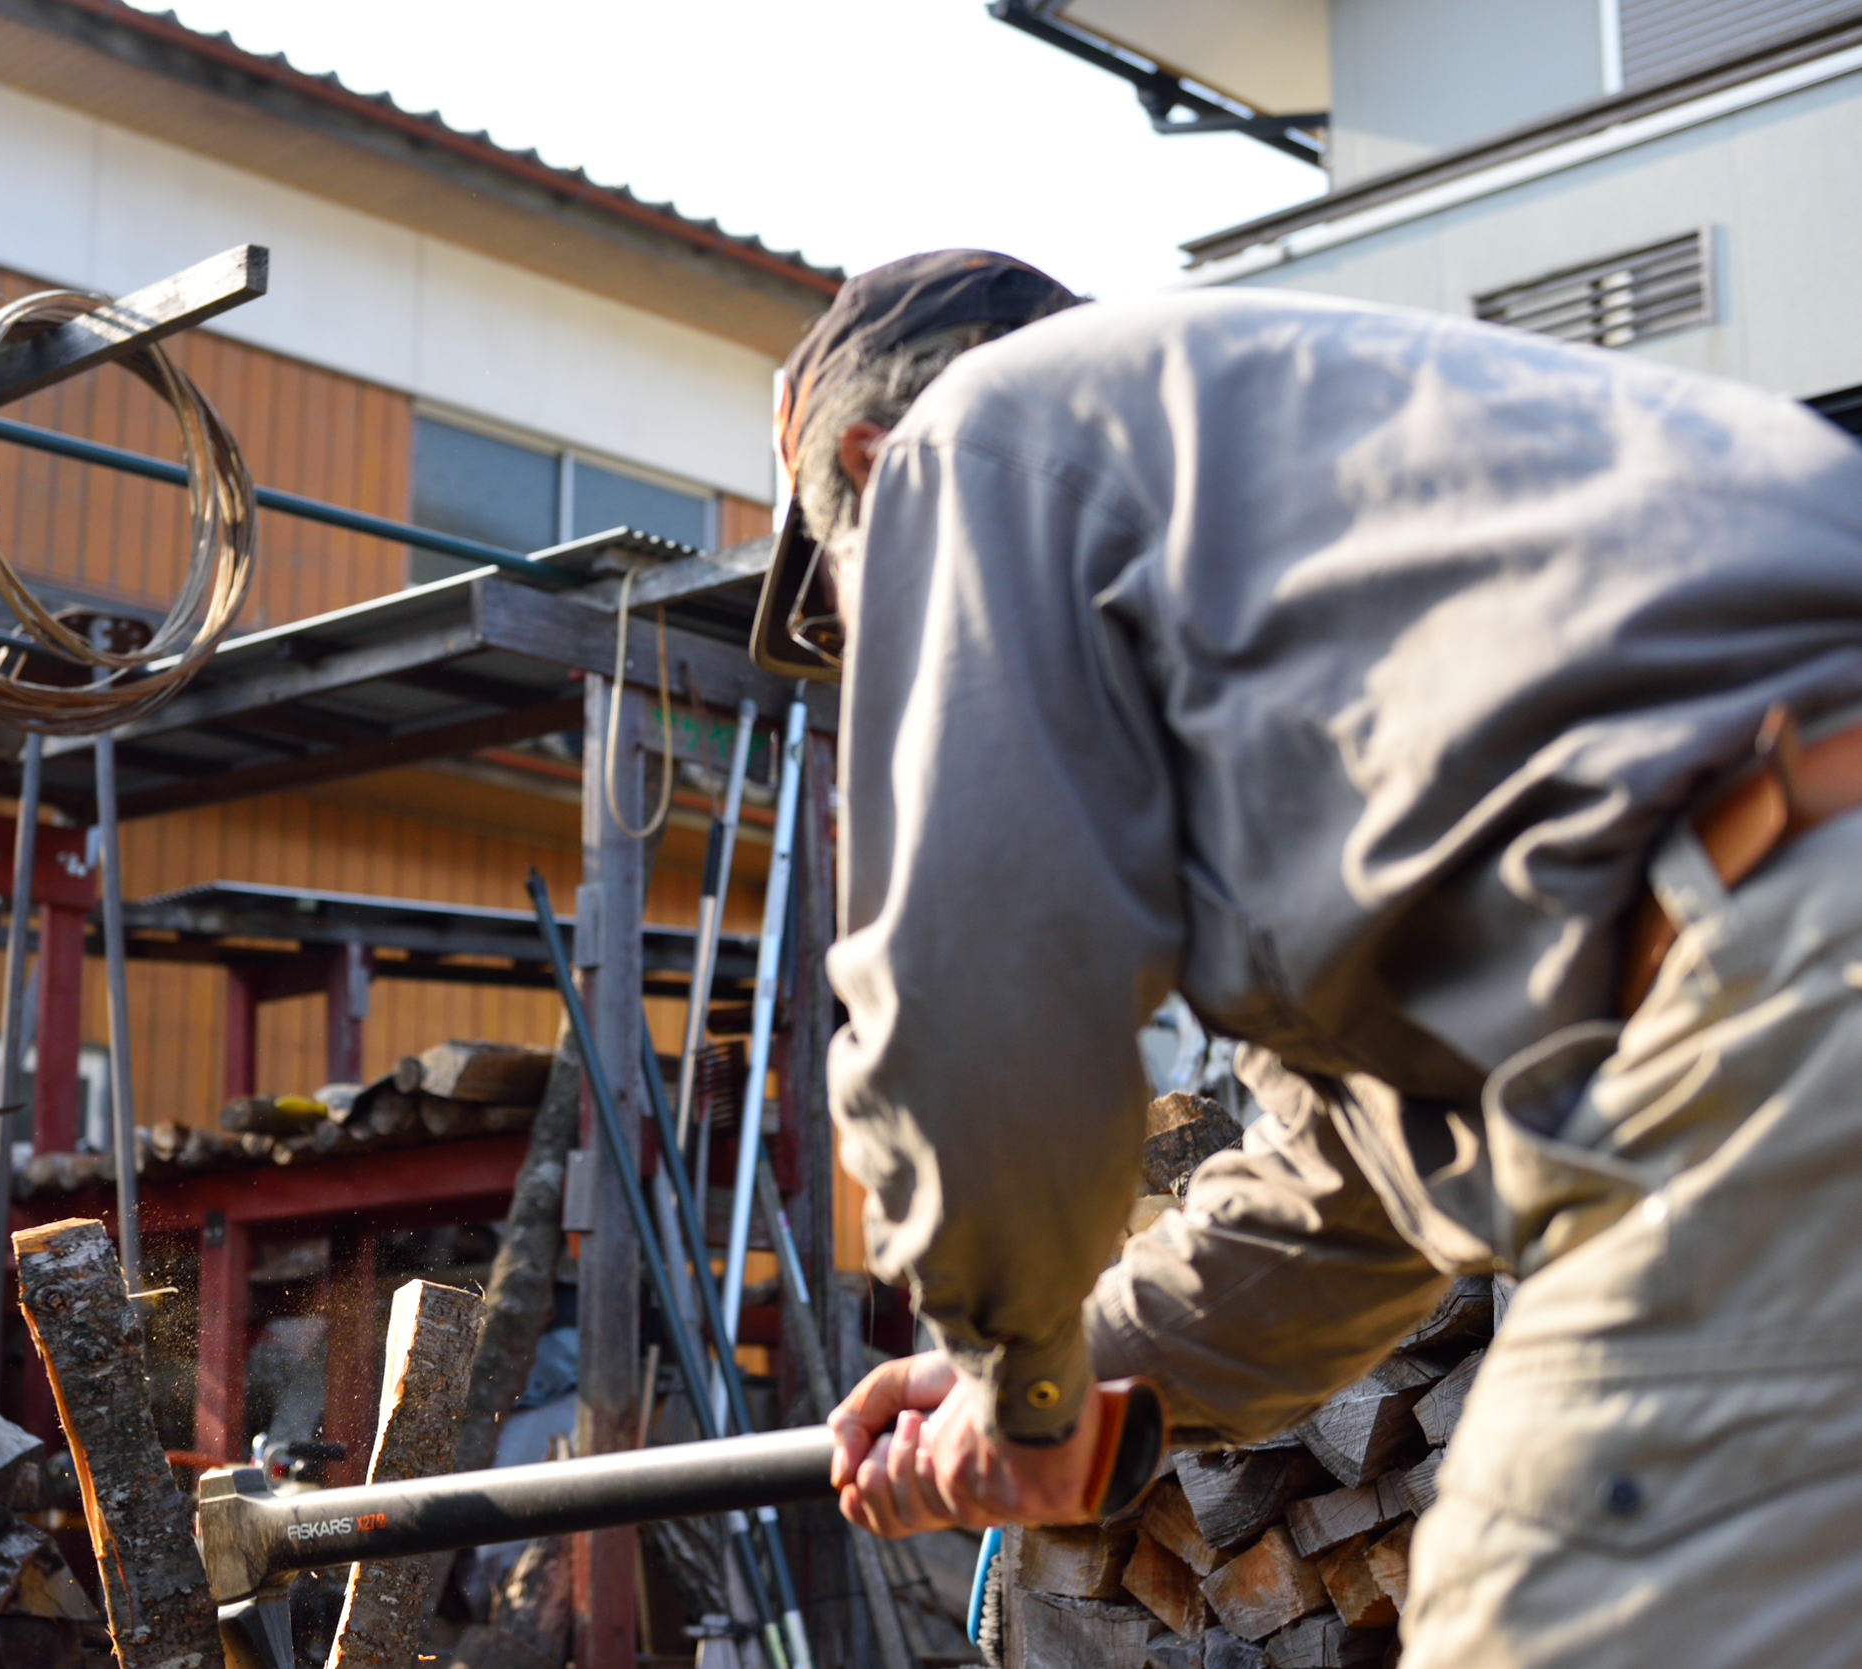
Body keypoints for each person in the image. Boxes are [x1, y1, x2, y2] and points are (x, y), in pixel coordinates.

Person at [765, 250, 1862, 1665]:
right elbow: (1354, 1202)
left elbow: (979, 999)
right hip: (1794, 962)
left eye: (844, 612)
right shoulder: (1381, 603)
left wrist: (1012, 1378)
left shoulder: (971, 442)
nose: (879, 665)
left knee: (1541, 1616)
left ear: (868, 460)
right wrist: (1077, 1378)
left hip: (1790, 962)